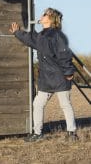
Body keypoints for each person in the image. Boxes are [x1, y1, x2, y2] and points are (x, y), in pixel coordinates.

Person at [9, 7, 78, 142]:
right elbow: (32, 40)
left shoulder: (57, 35)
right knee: (38, 104)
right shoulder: (42, 35)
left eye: (45, 14)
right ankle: (38, 133)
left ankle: (72, 133)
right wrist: (18, 33)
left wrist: (69, 72)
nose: (42, 15)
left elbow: (64, 54)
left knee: (65, 104)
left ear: (51, 19)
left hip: (60, 77)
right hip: (46, 79)